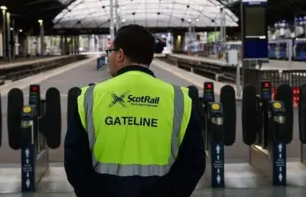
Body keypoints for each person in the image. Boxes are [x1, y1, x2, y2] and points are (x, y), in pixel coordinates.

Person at [64, 24, 205, 197]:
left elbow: (74, 160)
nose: (109, 57)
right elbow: (194, 161)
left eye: (110, 52)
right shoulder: (179, 99)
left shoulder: (89, 97)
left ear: (121, 55)